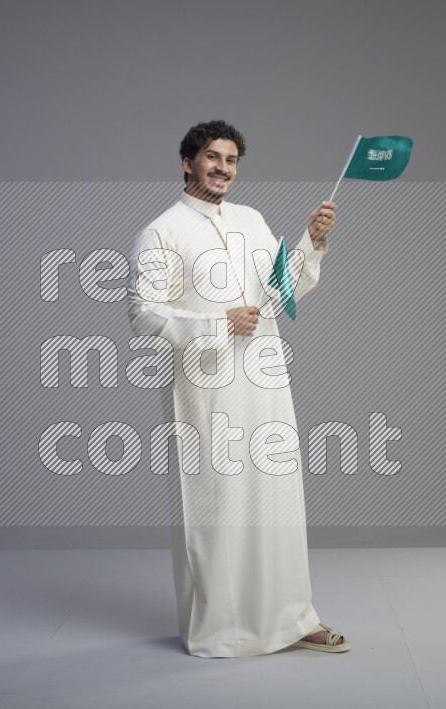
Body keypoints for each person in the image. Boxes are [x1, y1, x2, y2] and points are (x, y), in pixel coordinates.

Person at [126, 120, 347, 657]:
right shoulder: (163, 231)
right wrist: (218, 324)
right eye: (212, 158)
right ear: (188, 163)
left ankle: (295, 618)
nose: (223, 168)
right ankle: (224, 628)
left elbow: (282, 287)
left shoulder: (251, 220)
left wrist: (312, 243)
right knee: (217, 503)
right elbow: (143, 314)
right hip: (207, 387)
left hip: (265, 379)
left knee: (277, 499)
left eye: (230, 160)